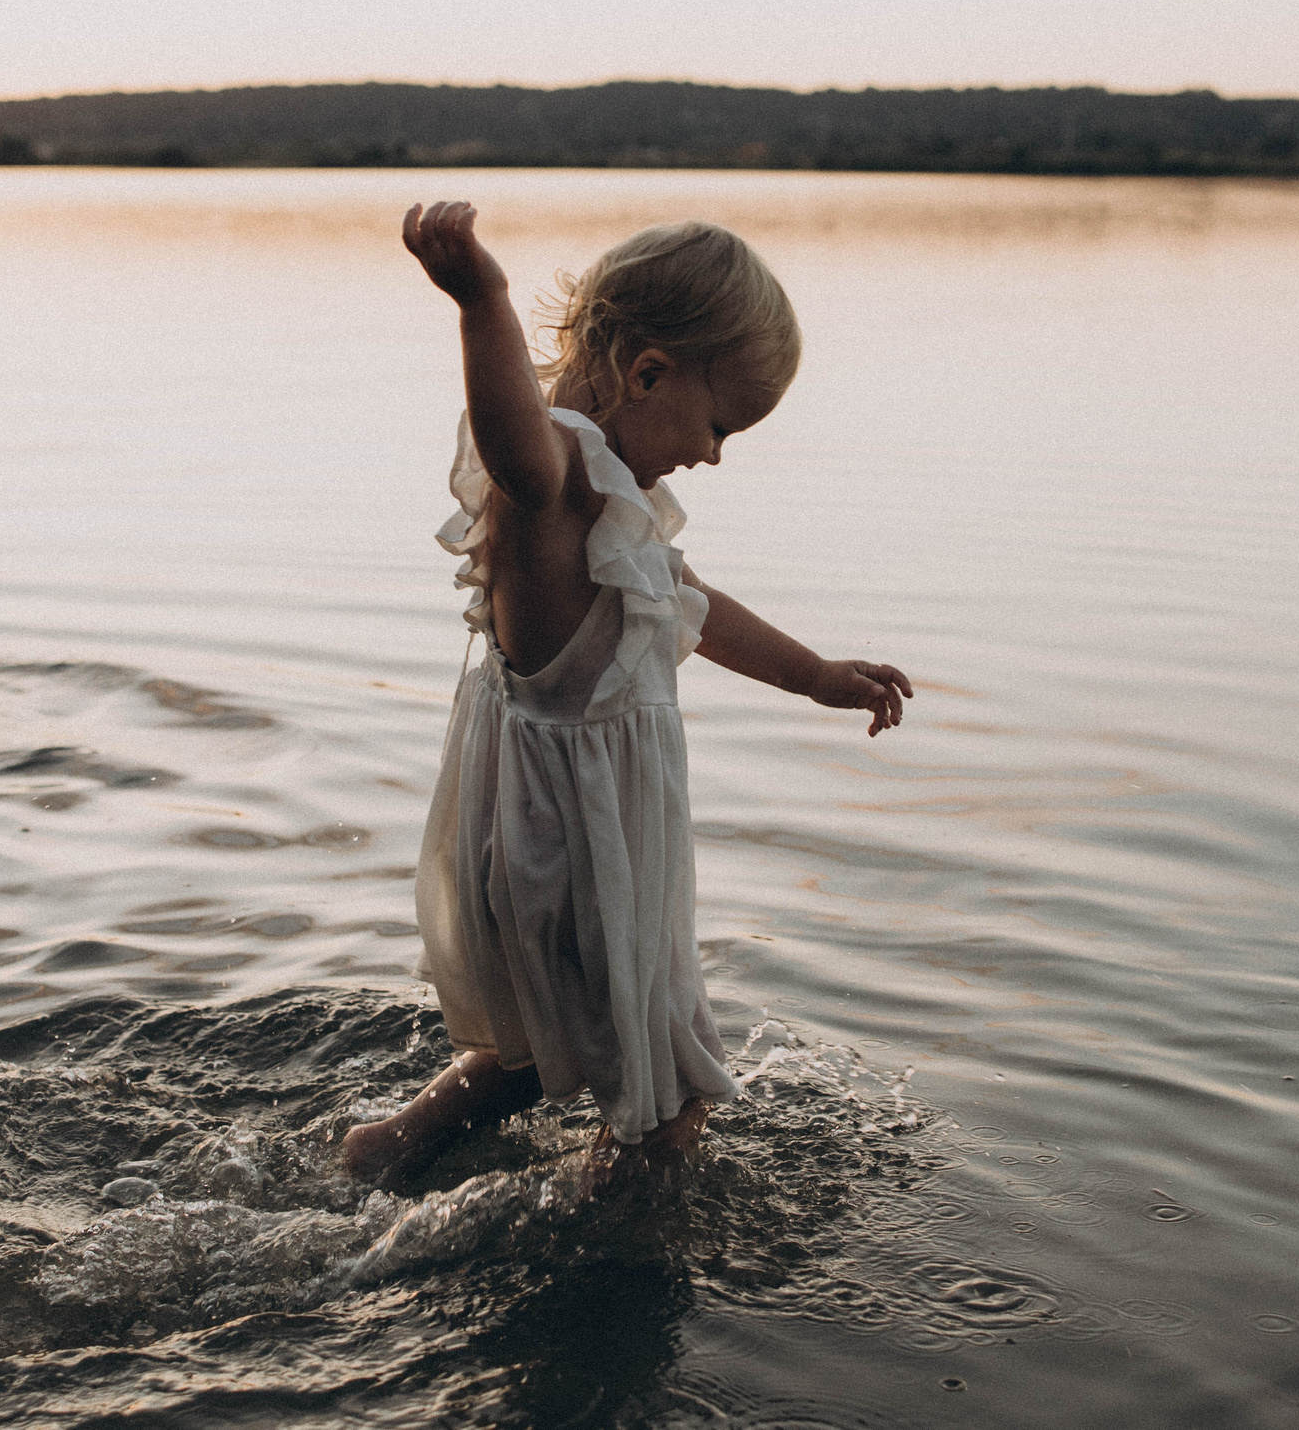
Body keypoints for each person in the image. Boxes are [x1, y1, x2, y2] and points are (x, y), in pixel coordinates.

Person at [341, 202, 914, 1183]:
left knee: (538, 1049)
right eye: (719, 424)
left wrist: (813, 675)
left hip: (566, 841)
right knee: (672, 1088)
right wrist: (482, 300)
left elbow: (688, 600)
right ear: (648, 372)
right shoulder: (554, 478)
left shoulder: (610, 505)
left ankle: (389, 1150)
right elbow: (513, 436)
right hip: (573, 847)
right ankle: (603, 1236)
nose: (714, 454)